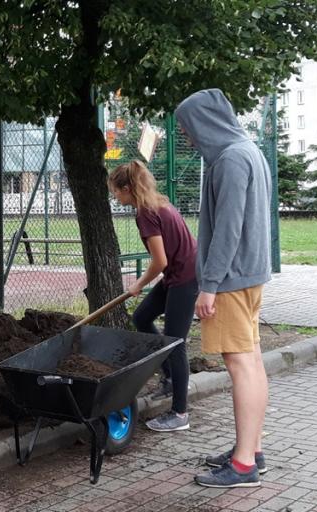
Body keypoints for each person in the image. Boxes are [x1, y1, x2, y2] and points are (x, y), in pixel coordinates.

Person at [175, 89, 272, 488]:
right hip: (249, 274)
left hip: (231, 279)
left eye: (189, 128)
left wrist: (209, 285)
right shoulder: (247, 150)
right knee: (252, 361)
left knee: (240, 365)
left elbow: (229, 228)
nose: (190, 138)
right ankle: (251, 450)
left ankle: (245, 465)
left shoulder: (231, 159)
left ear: (206, 122)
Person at [108, 160, 198, 432]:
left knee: (175, 342)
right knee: (142, 316)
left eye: (115, 191)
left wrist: (139, 284)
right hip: (178, 273)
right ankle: (171, 378)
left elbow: (159, 260)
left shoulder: (146, 213)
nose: (114, 196)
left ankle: (180, 413)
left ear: (127, 188)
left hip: (186, 276)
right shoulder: (157, 203)